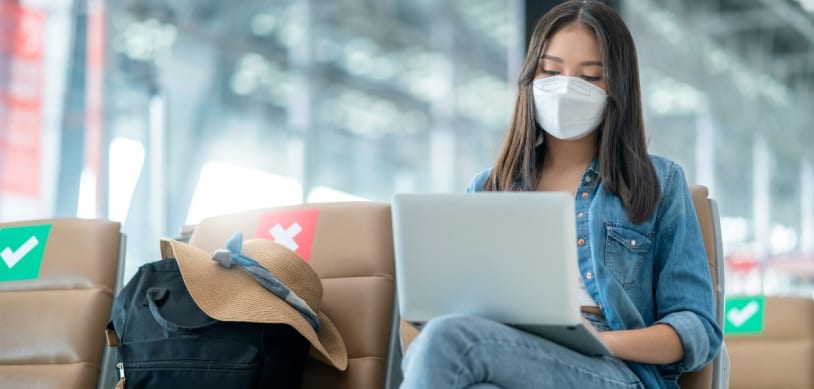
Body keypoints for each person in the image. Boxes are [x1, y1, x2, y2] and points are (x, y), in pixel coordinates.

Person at [399, 1, 722, 388]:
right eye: (550, 71)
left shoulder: (660, 182)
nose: (566, 87)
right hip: (504, 352)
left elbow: (697, 329)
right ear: (530, 77)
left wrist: (600, 342)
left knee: (449, 343)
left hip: (615, 369)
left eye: (590, 77)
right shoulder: (489, 187)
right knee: (451, 352)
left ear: (617, 87)